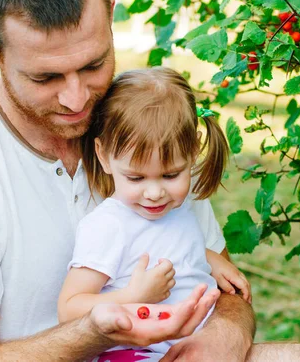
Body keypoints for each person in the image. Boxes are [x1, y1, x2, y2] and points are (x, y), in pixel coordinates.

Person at [0, 0, 300, 361]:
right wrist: (99, 329)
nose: (76, 100)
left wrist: (221, 336)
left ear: (110, 15)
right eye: (45, 78)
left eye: (93, 64)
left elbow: (222, 289)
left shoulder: (145, 123)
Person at [58, 67, 252, 361]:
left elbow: (171, 242)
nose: (154, 193)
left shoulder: (180, 207)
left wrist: (210, 259)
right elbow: (69, 308)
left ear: (193, 151)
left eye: (171, 175)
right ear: (104, 156)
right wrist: (133, 296)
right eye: (136, 178)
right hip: (136, 353)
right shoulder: (108, 226)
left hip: (196, 347)